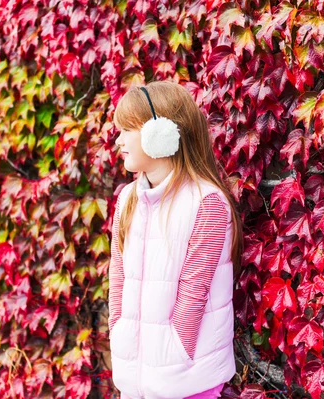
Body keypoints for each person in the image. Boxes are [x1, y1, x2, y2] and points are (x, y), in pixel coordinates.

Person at [108, 81, 243, 399]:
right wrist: (119, 330)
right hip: (137, 379)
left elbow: (193, 293)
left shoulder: (205, 202)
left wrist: (175, 351)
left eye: (128, 130)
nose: (119, 140)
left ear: (161, 135)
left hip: (186, 381)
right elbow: (118, 277)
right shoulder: (128, 198)